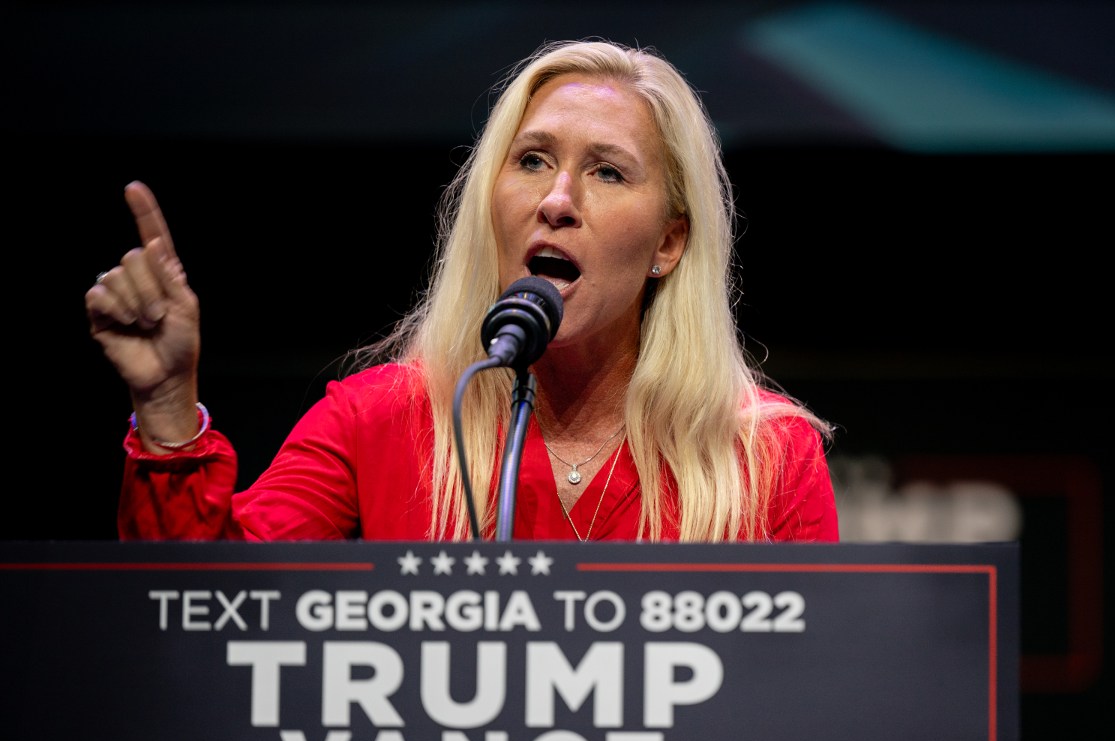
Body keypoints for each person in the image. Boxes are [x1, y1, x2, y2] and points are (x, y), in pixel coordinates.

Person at [84, 39, 838, 543]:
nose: (558, 199)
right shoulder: (377, 421)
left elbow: (818, 703)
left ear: (669, 243)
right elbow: (207, 620)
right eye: (534, 160)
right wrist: (166, 408)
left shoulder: (764, 456)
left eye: (608, 171)